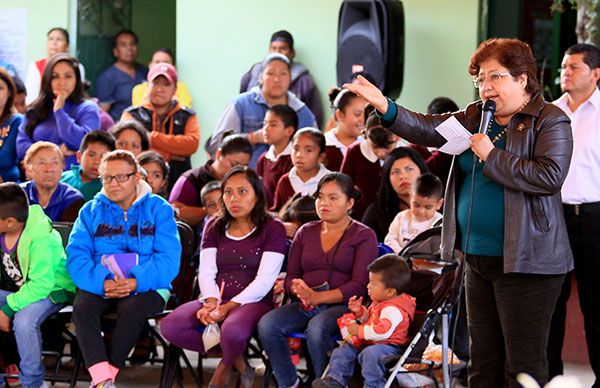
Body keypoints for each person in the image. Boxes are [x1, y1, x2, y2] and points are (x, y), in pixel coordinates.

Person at [345, 37, 573, 387]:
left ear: (522, 78)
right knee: (481, 358)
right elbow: (426, 128)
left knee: (522, 365)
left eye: (495, 77)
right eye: (481, 79)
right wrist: (386, 106)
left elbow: (548, 177)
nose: (486, 87)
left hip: (528, 262)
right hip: (475, 258)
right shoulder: (474, 115)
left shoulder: (550, 119)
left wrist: (491, 155)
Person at [160, 166, 287, 388]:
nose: (233, 198)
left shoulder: (272, 227)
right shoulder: (214, 225)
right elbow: (207, 271)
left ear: (257, 195)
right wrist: (211, 302)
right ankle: (237, 360)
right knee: (171, 326)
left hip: (253, 299)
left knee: (232, 329)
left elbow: (265, 280)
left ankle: (222, 372)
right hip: (216, 296)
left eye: (242, 192)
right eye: (228, 192)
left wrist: (227, 308)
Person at [66, 150, 180, 388]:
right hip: (103, 284)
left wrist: (136, 281)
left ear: (137, 176)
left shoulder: (159, 209)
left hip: (148, 286)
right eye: (107, 178)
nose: (113, 183)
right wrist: (102, 281)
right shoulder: (89, 211)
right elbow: (77, 257)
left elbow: (169, 260)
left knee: (132, 308)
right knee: (82, 307)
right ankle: (102, 379)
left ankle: (108, 375)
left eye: (121, 177)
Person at [258, 172, 378, 387]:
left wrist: (318, 296)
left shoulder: (364, 235)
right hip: (306, 303)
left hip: (346, 306)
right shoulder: (305, 232)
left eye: (333, 198)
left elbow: (360, 285)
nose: (324, 203)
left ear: (350, 202)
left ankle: (324, 382)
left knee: (317, 327)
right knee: (268, 325)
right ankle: (290, 382)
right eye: (320, 197)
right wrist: (297, 287)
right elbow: (291, 276)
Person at [547, 43, 600, 386]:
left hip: (596, 218)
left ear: (596, 74)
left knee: (597, 306)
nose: (566, 72)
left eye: (574, 67)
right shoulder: (549, 113)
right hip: (552, 218)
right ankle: (549, 377)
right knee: (551, 302)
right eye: (564, 66)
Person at [0, 183, 76, 388]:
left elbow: (42, 285)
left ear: (9, 222)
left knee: (24, 321)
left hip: (53, 291)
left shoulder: (43, 239)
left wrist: (8, 308)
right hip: (21, 289)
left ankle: (33, 382)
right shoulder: (3, 230)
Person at [313, 254, 416, 388]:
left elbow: (382, 332)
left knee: (370, 354)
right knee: (344, 350)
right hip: (371, 341)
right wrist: (360, 312)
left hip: (389, 347)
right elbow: (372, 320)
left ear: (390, 291)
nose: (368, 286)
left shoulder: (393, 310)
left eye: (373, 283)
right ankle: (335, 380)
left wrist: (359, 330)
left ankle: (374, 385)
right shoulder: (381, 301)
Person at [209, 52, 316, 168]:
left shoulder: (302, 112)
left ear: (290, 78)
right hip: (245, 180)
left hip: (290, 180)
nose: (277, 79)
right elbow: (217, 145)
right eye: (271, 73)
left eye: (283, 74)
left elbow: (316, 151)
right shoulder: (239, 104)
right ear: (260, 78)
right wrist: (252, 138)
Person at [121, 62, 200, 190]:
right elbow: (129, 148)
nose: (160, 89)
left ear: (175, 89)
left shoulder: (188, 115)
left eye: (166, 84)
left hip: (178, 182)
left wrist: (151, 138)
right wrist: (172, 153)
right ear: (147, 86)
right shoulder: (131, 114)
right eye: (156, 83)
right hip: (138, 183)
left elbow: (192, 144)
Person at [17, 53, 100, 169]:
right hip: (38, 176)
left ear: (77, 79)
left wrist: (59, 111)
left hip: (72, 178)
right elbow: (21, 147)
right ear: (47, 80)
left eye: (68, 76)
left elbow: (82, 143)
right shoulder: (35, 109)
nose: (62, 82)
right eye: (55, 77)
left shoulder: (88, 108)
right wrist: (58, 151)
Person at [239, 30, 323, 127]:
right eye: (274, 48)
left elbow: (314, 117)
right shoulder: (254, 72)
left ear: (292, 52)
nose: (277, 52)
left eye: (283, 49)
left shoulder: (304, 80)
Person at [169, 134, 252, 227]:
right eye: (234, 164)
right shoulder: (192, 179)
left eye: (244, 166)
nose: (237, 170)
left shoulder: (247, 180)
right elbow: (173, 213)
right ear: (219, 154)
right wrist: (211, 209)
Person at [340, 111, 400, 220]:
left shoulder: (405, 154)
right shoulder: (355, 151)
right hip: (360, 215)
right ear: (365, 136)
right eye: (375, 147)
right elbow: (343, 184)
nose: (381, 153)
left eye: (387, 147)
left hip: (395, 216)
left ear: (398, 137)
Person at [361, 147, 428, 241]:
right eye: (395, 172)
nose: (402, 176)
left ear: (421, 172)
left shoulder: (441, 205)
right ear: (387, 179)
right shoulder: (376, 212)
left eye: (409, 169)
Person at [20, 142, 84, 222]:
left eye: (55, 162)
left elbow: (66, 233)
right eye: (42, 163)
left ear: (62, 168)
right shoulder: (17, 195)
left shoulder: (73, 199)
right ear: (29, 168)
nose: (49, 169)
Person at [271, 127, 330, 212]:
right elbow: (277, 212)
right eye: (296, 149)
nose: (299, 155)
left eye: (308, 150)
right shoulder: (285, 181)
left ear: (321, 157)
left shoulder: (330, 182)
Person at [24, 27, 86, 105]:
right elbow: (31, 97)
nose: (54, 43)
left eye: (59, 39)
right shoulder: (35, 66)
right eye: (51, 39)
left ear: (67, 46)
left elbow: (78, 94)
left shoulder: (77, 67)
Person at [96, 30, 148, 121]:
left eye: (132, 44)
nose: (129, 48)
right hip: (119, 126)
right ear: (115, 51)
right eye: (123, 45)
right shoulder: (108, 77)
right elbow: (103, 113)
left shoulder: (144, 71)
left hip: (144, 125)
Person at [384, 173, 444, 253]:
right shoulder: (401, 217)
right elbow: (390, 239)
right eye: (416, 205)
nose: (421, 211)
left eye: (428, 207)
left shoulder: (440, 223)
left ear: (439, 204)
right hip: (399, 259)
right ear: (410, 197)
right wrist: (401, 254)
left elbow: (438, 248)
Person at [61, 130, 115, 202]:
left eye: (103, 157)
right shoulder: (62, 178)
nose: (97, 162)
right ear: (79, 156)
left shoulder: (110, 189)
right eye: (91, 155)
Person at [256, 104, 297, 199]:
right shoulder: (263, 159)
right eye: (264, 123)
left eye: (273, 125)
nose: (265, 128)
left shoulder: (295, 159)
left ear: (289, 131)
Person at [324, 88, 366, 171]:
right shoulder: (324, 145)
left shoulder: (367, 144)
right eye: (357, 114)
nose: (363, 119)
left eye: (366, 114)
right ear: (340, 115)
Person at [0, 68, 22, 183]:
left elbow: (6, 158)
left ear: (9, 92)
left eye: (0, 88)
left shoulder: (16, 120)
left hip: (9, 188)